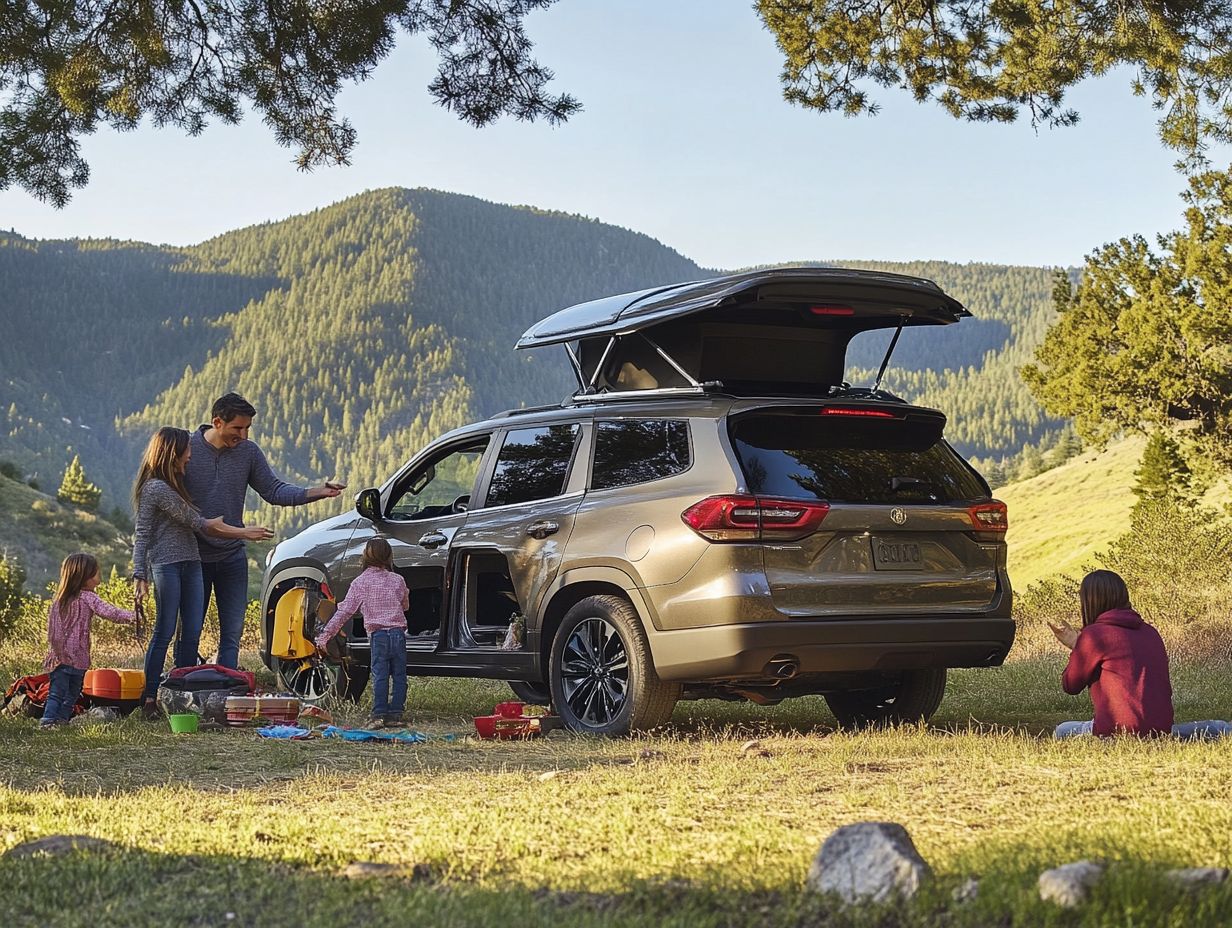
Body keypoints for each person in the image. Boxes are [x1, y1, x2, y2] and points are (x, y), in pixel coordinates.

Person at [183, 392, 344, 669]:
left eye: (247, 428)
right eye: (237, 428)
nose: (243, 436)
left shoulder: (248, 452)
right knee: (190, 630)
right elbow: (167, 496)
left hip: (232, 556)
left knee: (232, 632)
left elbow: (273, 490)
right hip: (193, 555)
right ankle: (182, 685)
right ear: (217, 422)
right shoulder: (186, 449)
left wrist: (316, 491)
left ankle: (226, 684)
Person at [132, 426, 273, 717]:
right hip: (166, 565)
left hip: (192, 562)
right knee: (165, 630)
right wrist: (139, 574)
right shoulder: (155, 489)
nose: (190, 457)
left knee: (192, 632)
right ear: (173, 453)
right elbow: (153, 532)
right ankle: (149, 698)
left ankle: (182, 694)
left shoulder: (176, 485)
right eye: (187, 452)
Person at [1050, 569, 1231, 740]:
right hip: (1162, 730)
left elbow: (1070, 685)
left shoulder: (1094, 636)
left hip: (1117, 732)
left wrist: (1077, 646)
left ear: (1089, 601)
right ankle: (1222, 728)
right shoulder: (1151, 631)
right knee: (1208, 729)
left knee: (1062, 731)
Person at [314, 538, 409, 728]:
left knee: (380, 674)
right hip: (398, 634)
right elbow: (405, 605)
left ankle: (378, 715)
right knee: (399, 675)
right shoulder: (398, 580)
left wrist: (325, 636)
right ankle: (395, 715)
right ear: (389, 556)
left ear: (364, 556)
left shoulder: (360, 582)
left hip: (378, 636)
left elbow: (345, 612)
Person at [41, 553, 135, 728]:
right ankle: (49, 720)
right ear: (84, 577)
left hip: (61, 657)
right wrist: (133, 616)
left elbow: (52, 631)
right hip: (75, 657)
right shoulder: (88, 597)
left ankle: (59, 721)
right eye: (95, 572)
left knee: (61, 692)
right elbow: (110, 612)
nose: (99, 575)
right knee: (68, 693)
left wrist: (57, 651)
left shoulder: (59, 600)